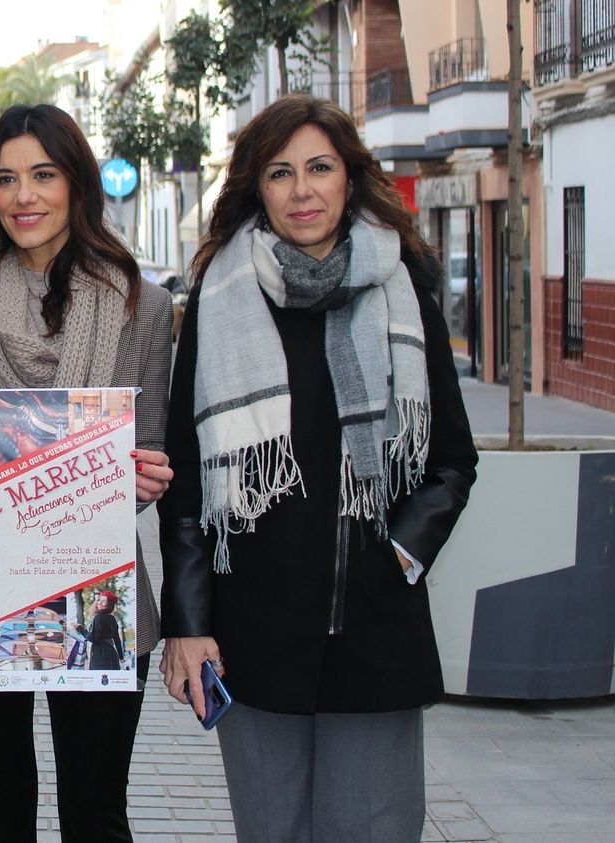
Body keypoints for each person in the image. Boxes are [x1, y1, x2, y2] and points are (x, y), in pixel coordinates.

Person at [158, 94, 476, 843]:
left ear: (349, 179)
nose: (302, 189)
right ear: (255, 188)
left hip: (376, 633)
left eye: (319, 168)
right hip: (254, 634)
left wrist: (398, 553)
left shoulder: (407, 288)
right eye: (280, 172)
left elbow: (452, 461)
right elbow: (191, 481)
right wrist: (190, 624)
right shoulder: (220, 298)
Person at [0, 103, 174, 843]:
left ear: (77, 183)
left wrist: (144, 476)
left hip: (96, 593)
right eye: (6, 179)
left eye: (43, 174)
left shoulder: (143, 307)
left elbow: (149, 445)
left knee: (97, 816)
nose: (24, 197)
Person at [87, 591, 124, 671]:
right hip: (111, 653)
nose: (99, 603)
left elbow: (92, 638)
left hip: (100, 654)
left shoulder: (98, 618)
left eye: (104, 601)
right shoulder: (112, 619)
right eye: (99, 600)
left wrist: (80, 629)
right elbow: (117, 640)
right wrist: (121, 656)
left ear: (109, 604)